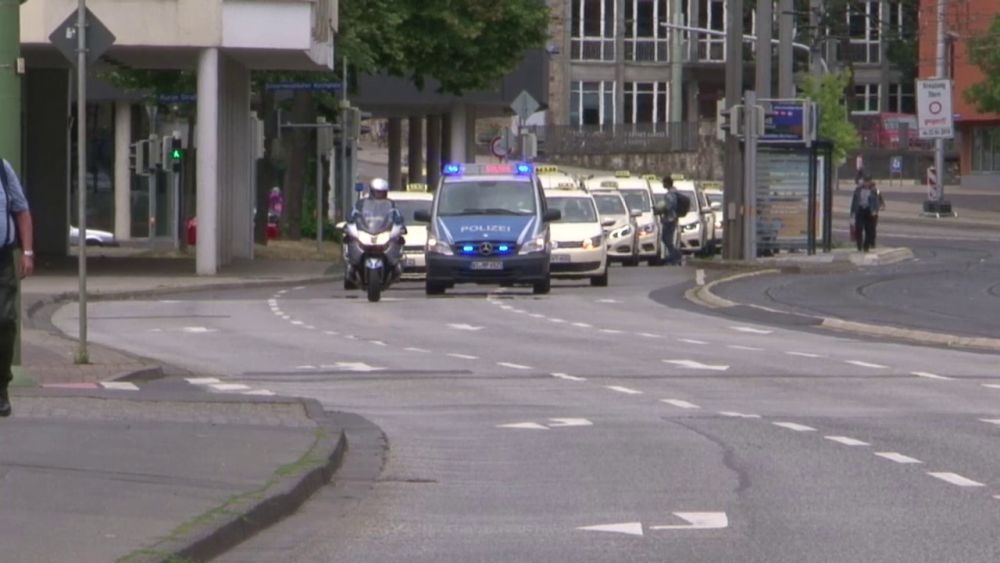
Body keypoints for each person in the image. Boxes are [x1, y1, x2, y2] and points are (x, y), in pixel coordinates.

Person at [0, 159, 35, 418]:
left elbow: (21, 210)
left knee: (5, 321)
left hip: (2, 260)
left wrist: (27, 252)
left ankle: (1, 387)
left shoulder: (2, 169)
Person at [850, 174, 878, 253]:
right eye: (865, 181)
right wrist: (852, 212)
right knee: (858, 228)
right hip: (860, 210)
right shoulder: (858, 189)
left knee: (869, 229)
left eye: (868, 181)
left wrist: (875, 211)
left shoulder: (874, 190)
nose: (866, 183)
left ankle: (866, 246)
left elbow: (876, 200)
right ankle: (859, 245)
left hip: (869, 211)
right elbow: (854, 201)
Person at [659, 175, 683, 266]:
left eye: (663, 183)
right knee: (666, 239)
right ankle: (674, 256)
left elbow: (670, 206)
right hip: (672, 218)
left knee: (666, 239)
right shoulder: (674, 192)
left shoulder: (670, 194)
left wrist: (661, 209)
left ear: (667, 183)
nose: (662, 184)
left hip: (670, 219)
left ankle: (676, 256)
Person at [869, 178, 886, 248]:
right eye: (872, 186)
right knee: (871, 228)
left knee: (872, 228)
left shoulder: (877, 191)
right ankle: (871, 242)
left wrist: (882, 205)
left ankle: (872, 242)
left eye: (874, 186)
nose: (873, 187)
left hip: (874, 212)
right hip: (870, 212)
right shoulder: (869, 191)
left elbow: (881, 198)